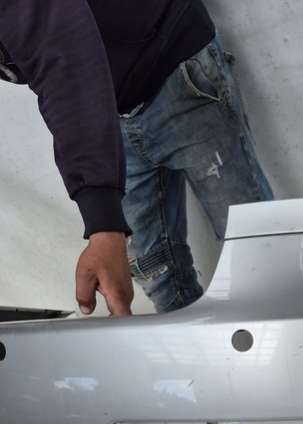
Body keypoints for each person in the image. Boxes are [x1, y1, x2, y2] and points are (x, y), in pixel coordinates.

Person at [0, 0, 273, 316]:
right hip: (107, 119)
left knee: (259, 252)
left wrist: (104, 224)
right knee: (157, 272)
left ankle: (288, 343)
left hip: (176, 69)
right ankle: (191, 347)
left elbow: (61, 61)